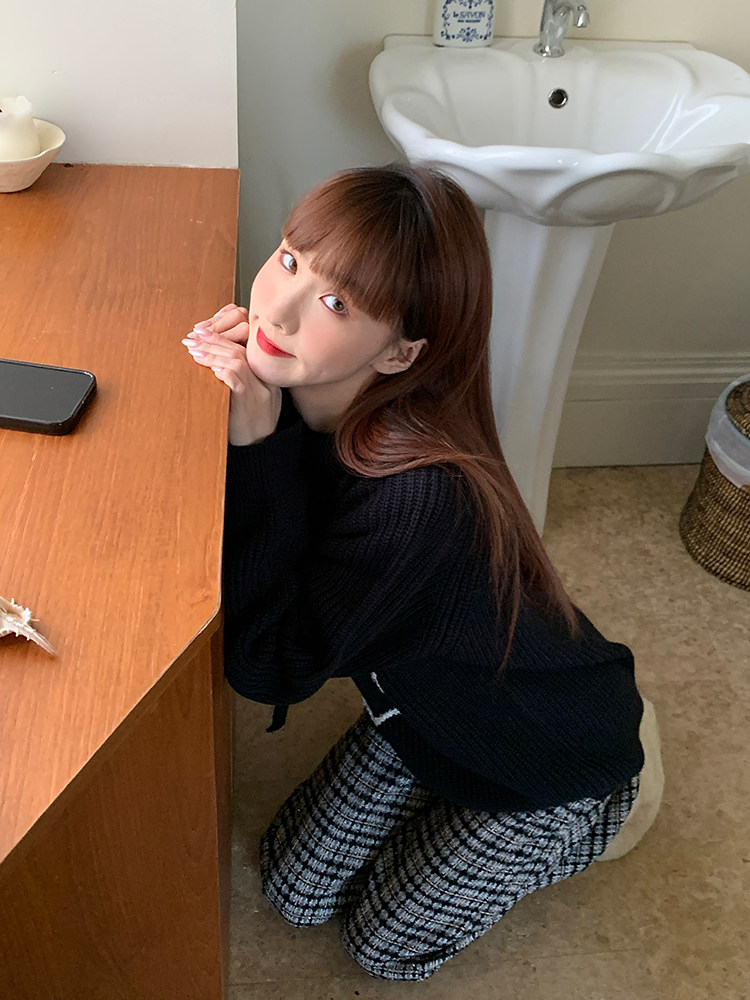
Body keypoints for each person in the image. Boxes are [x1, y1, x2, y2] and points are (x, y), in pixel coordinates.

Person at [182, 164, 645, 982]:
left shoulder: (418, 499)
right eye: (289, 260)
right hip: (423, 701)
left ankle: (595, 819)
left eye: (336, 303)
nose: (278, 310)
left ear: (401, 352)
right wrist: (255, 411)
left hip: (549, 751)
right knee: (293, 892)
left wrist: (254, 450)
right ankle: (444, 783)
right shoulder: (308, 392)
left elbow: (271, 666)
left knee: (383, 950)